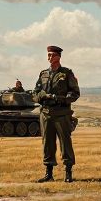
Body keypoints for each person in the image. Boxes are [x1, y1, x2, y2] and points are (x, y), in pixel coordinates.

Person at [32, 45, 80, 182]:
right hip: (46, 113)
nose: (49, 57)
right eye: (48, 55)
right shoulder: (43, 74)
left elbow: (75, 93)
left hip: (61, 113)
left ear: (59, 56)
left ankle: (68, 173)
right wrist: (41, 97)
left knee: (65, 143)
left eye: (52, 55)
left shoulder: (66, 74)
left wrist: (59, 99)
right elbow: (35, 92)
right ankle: (49, 174)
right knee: (47, 143)